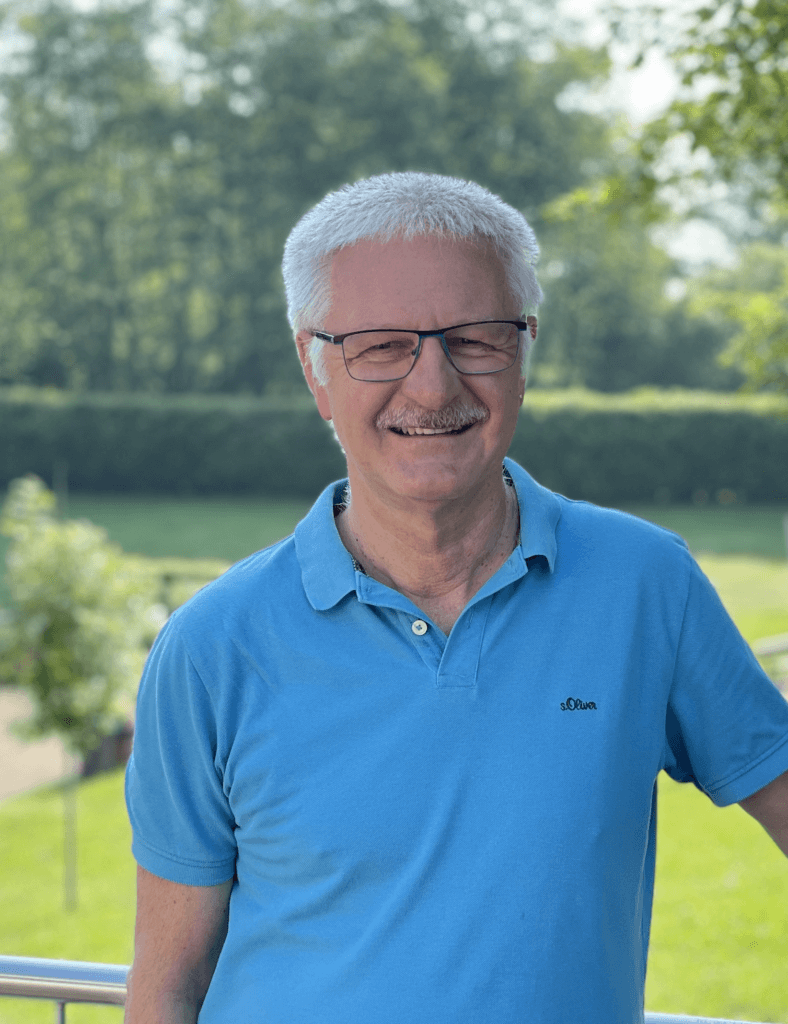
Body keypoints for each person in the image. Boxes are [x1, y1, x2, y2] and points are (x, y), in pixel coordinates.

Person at [124, 172, 788, 1024]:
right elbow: (167, 984)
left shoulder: (646, 585)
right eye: (380, 344)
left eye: (475, 339)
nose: (433, 387)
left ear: (525, 353)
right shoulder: (211, 646)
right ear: (313, 366)